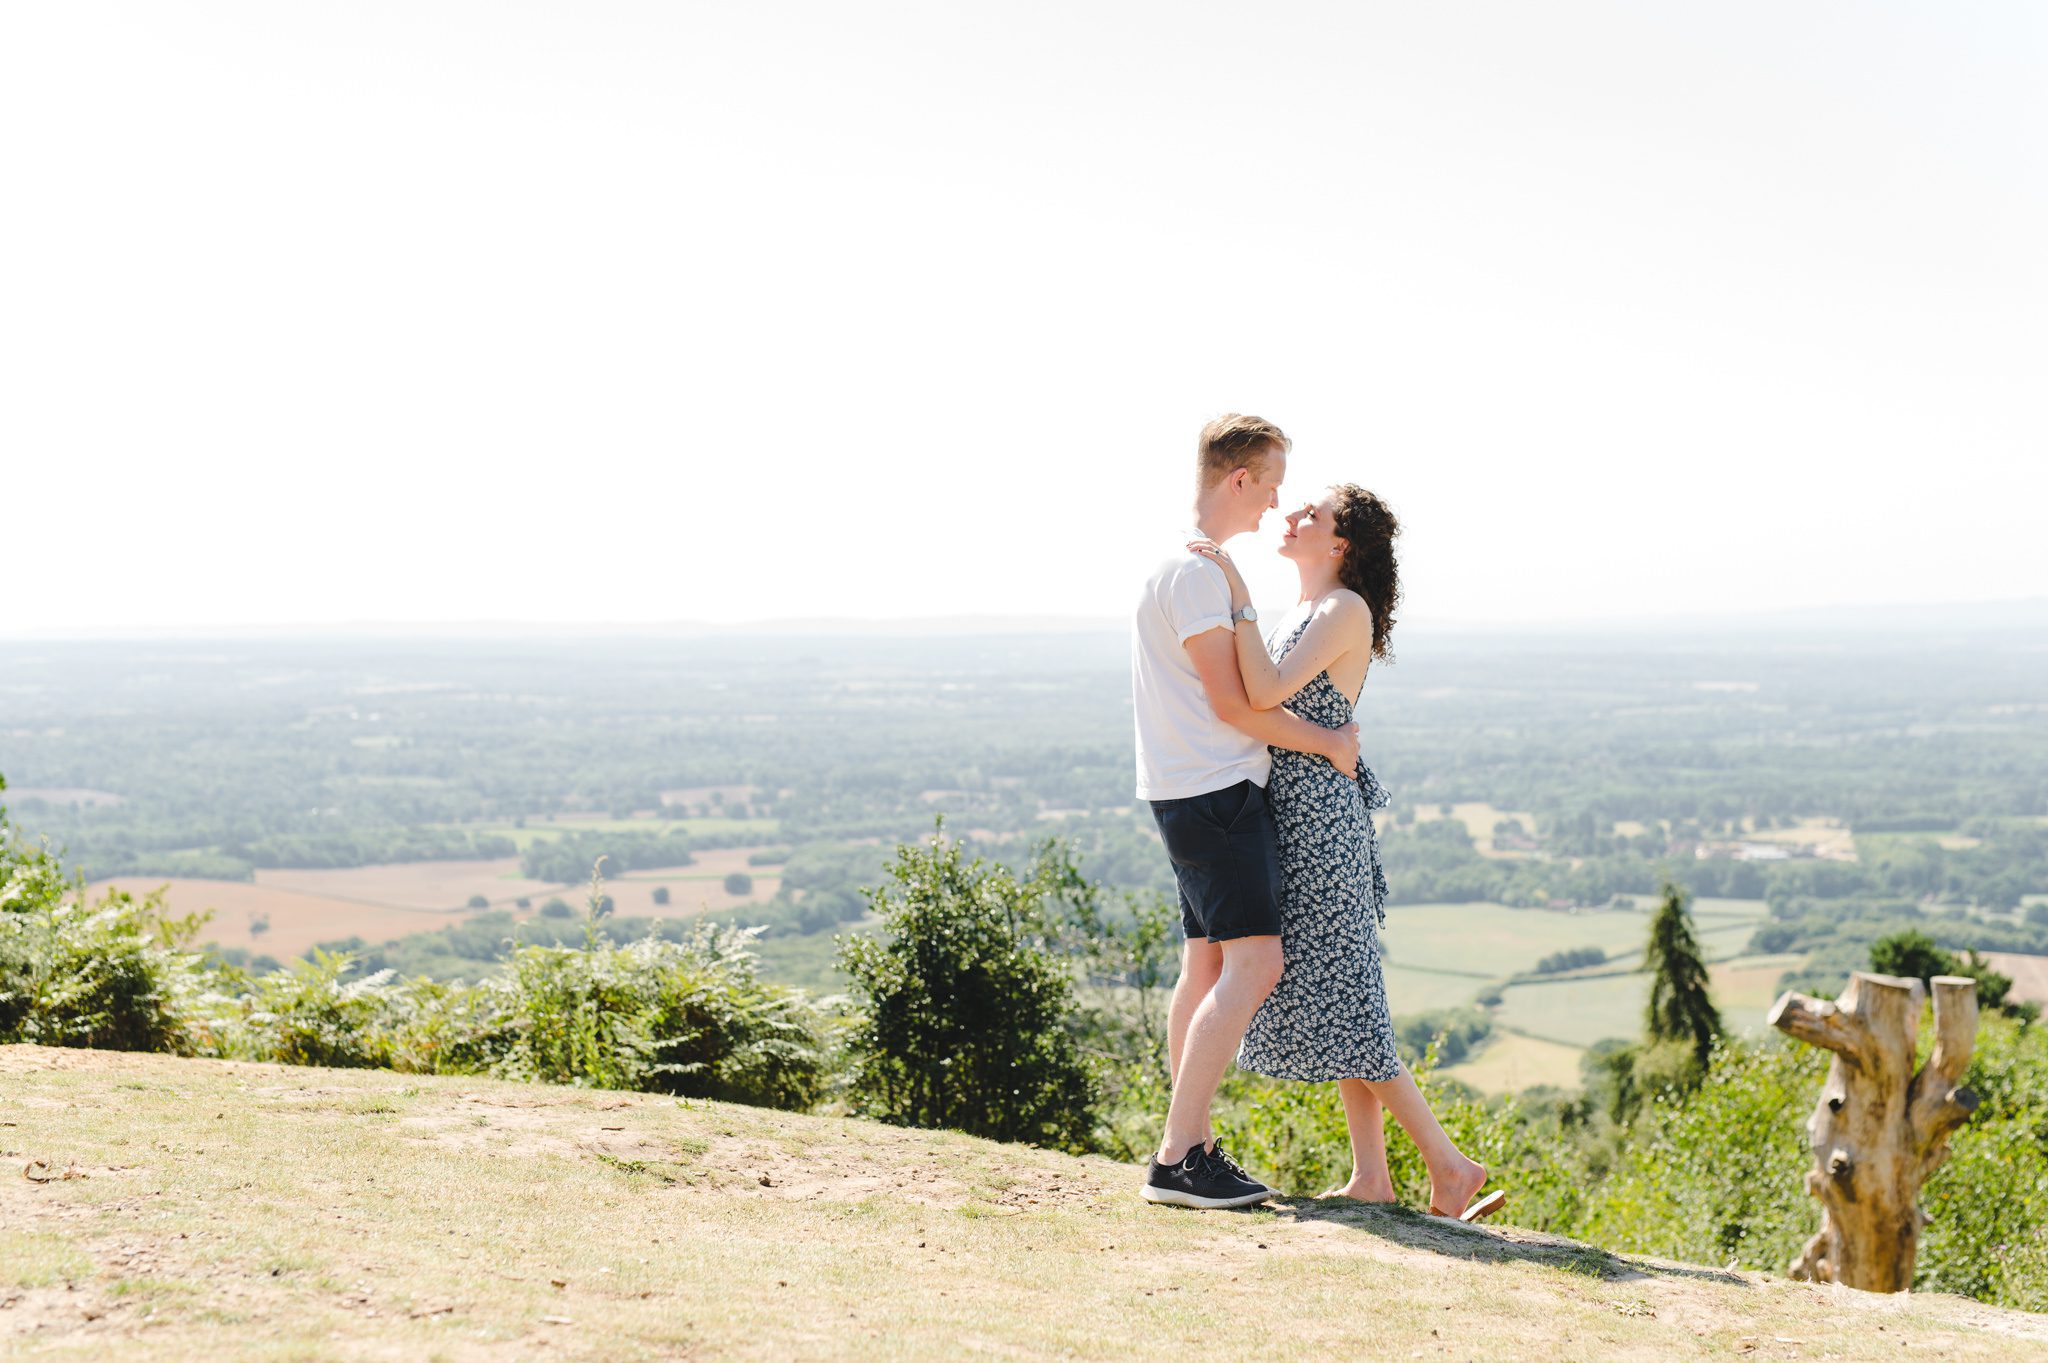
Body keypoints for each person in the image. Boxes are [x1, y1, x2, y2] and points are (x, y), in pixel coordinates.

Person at [1190, 483, 1505, 1223]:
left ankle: (1450, 1165)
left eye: (1313, 515)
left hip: (1322, 825)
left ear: (1341, 544)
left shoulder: (1342, 610)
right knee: (1343, 992)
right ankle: (1372, 1175)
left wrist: (1234, 594)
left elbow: (1261, 691)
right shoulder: (1312, 609)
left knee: (1352, 1001)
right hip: (1299, 818)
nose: (1293, 516)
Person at [1133, 414, 1362, 1209]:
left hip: (1187, 790)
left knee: (1203, 964)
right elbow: (1236, 705)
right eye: (1269, 484)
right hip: (1217, 792)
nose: (1274, 504)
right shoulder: (1200, 575)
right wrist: (1326, 740)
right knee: (1256, 964)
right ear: (1240, 479)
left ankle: (1188, 1140)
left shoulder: (1189, 567)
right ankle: (1178, 1155)